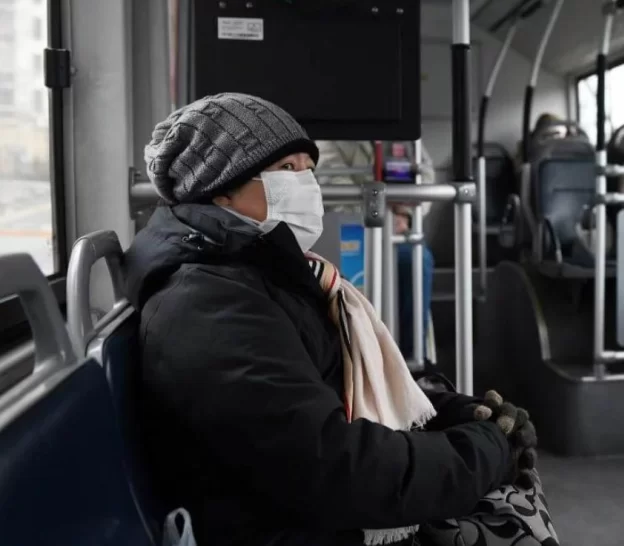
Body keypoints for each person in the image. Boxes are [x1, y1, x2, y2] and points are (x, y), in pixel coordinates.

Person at [123, 93, 540, 546]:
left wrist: (449, 413)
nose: (306, 184)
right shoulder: (208, 307)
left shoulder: (262, 275)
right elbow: (336, 469)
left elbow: (326, 392)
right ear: (221, 190)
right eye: (287, 169)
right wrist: (487, 451)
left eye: (309, 169)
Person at [315, 140, 436, 361]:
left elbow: (425, 175)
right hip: (348, 232)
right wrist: (381, 218)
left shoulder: (405, 135)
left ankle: (411, 361)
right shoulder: (331, 136)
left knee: (415, 259)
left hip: (398, 228)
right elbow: (332, 184)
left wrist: (405, 215)